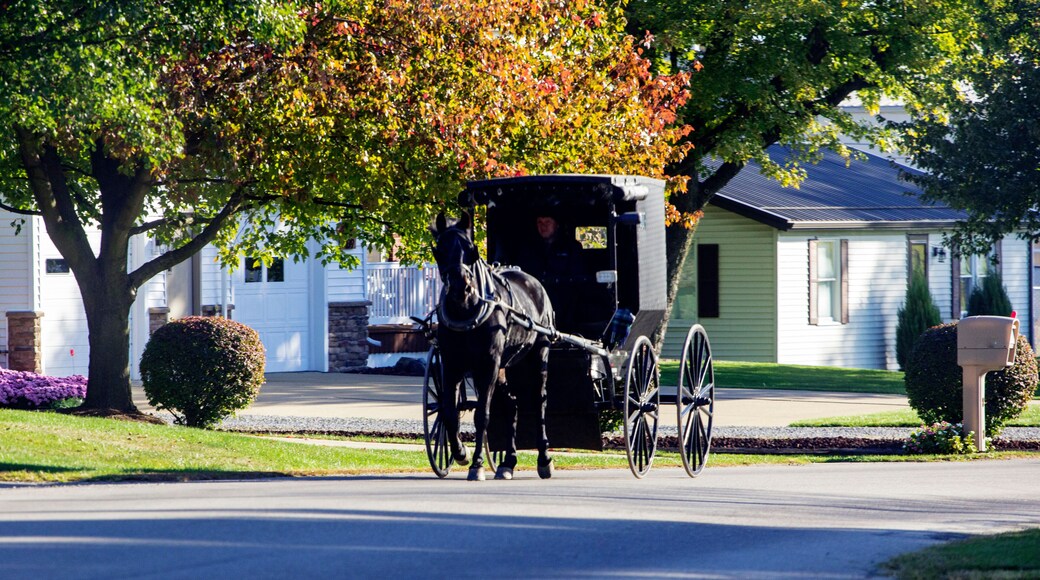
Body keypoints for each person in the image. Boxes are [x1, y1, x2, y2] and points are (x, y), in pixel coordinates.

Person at [517, 215, 587, 331]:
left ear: (557, 224)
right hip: (534, 300)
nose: (543, 226)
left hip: (565, 301)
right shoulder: (528, 249)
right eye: (539, 222)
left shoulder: (572, 248)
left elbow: (579, 278)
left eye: (547, 222)